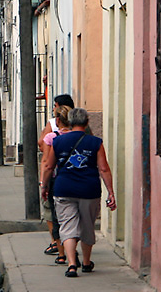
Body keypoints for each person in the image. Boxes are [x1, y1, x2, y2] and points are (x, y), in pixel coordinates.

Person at [41, 107, 116, 278]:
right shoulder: (95, 142)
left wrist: (44, 186)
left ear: (70, 122)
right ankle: (87, 262)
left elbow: (48, 166)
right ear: (87, 122)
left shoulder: (58, 142)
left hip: (64, 188)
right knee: (87, 226)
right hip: (89, 190)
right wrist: (110, 192)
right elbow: (103, 169)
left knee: (67, 226)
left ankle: (72, 264)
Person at [38, 94, 75, 257]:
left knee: (52, 212)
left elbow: (46, 158)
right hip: (77, 176)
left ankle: (58, 247)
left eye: (54, 105)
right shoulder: (81, 126)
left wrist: (43, 184)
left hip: (56, 178)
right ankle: (72, 248)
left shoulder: (52, 128)